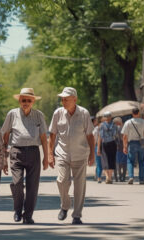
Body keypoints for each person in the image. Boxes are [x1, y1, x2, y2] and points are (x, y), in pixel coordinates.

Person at [2, 88, 49, 224]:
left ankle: (28, 215)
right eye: (23, 100)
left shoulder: (39, 115)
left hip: (34, 152)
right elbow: (5, 134)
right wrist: (4, 157)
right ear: (19, 101)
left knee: (32, 187)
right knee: (17, 183)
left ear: (33, 101)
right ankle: (17, 210)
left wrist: (47, 157)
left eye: (29, 100)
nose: (26, 103)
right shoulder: (12, 114)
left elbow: (43, 137)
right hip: (16, 152)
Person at [48, 87, 95, 225]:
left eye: (66, 99)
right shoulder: (58, 113)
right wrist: (50, 154)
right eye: (62, 99)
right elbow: (52, 135)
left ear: (74, 99)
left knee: (79, 186)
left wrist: (92, 153)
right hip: (62, 154)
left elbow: (90, 135)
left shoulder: (84, 113)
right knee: (61, 181)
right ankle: (65, 205)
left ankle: (77, 215)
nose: (63, 101)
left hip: (80, 154)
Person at [121, 108, 144, 185]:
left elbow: (124, 136)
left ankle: (131, 176)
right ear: (139, 113)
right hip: (142, 143)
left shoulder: (128, 122)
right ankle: (141, 179)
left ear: (132, 113)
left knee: (130, 161)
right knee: (142, 161)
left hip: (132, 143)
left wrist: (124, 146)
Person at [97, 112, 117, 184]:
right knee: (111, 160)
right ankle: (110, 177)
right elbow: (115, 134)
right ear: (111, 117)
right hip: (112, 143)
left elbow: (100, 137)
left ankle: (107, 177)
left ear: (105, 117)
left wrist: (98, 148)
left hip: (104, 143)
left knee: (104, 160)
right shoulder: (114, 125)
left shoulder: (101, 125)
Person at [113, 117, 127, 182]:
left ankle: (116, 177)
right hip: (123, 147)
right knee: (124, 163)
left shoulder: (115, 129)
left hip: (116, 148)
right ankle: (123, 177)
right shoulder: (123, 128)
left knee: (117, 163)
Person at [92, 116, 103, 183]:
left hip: (97, 147)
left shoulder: (96, 129)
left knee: (98, 163)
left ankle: (98, 176)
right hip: (103, 147)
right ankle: (98, 176)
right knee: (100, 163)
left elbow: (94, 140)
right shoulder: (97, 129)